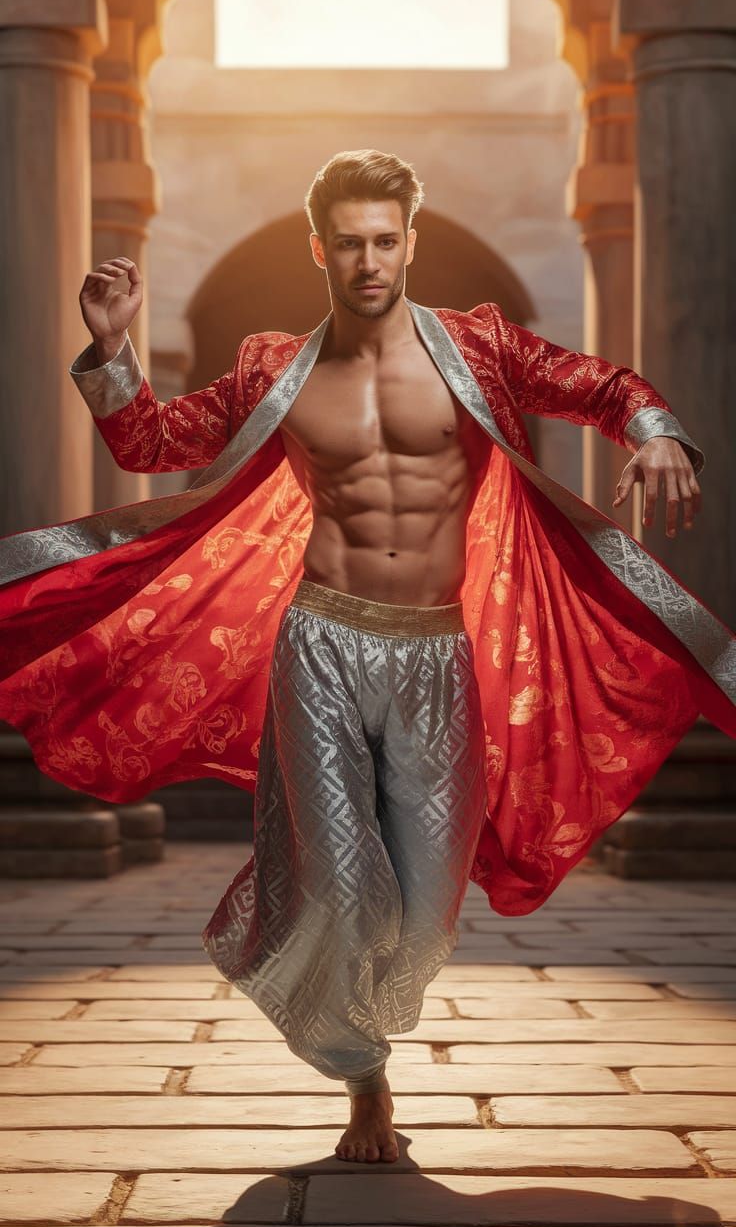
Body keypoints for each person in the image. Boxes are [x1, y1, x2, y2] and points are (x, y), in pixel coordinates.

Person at [0, 150, 734, 1166]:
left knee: (424, 911)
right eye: (347, 242)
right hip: (321, 642)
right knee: (345, 889)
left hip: (436, 651)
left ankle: (329, 979)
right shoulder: (273, 367)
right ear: (320, 249)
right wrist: (112, 349)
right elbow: (156, 442)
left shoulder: (476, 348)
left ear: (409, 243)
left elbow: (600, 384)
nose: (367, 259)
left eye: (384, 240)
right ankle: (367, 1088)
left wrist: (653, 429)